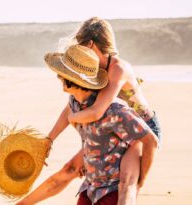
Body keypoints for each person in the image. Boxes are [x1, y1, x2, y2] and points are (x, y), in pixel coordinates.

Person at [17, 17, 161, 205]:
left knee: (127, 186)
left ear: (91, 43)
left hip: (139, 129)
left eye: (81, 44)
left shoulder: (116, 68)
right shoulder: (91, 69)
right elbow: (75, 104)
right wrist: (50, 139)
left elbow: (97, 112)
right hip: (111, 127)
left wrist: (74, 117)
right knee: (70, 169)